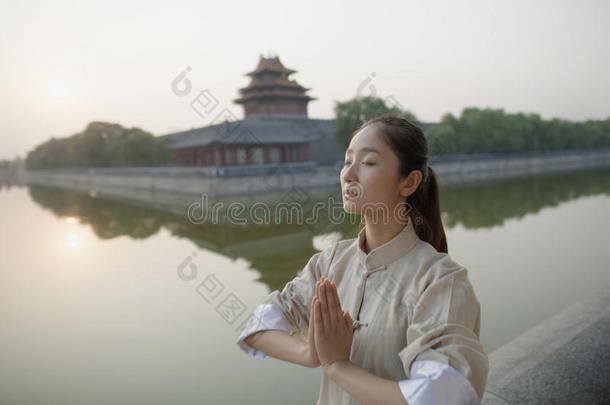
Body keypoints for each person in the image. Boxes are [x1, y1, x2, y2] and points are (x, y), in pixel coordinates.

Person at [235, 115, 489, 405]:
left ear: (409, 182)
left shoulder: (440, 280)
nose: (348, 174)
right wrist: (312, 353)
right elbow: (257, 327)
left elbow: (441, 395)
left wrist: (337, 366)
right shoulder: (330, 262)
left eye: (367, 163)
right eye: (346, 162)